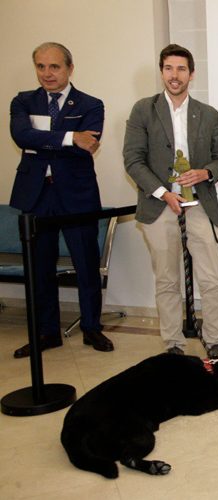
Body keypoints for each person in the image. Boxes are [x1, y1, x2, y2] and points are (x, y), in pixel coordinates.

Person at [123, 44, 218, 359]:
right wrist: (163, 192)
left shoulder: (208, 115)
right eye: (169, 68)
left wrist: (205, 173)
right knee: (167, 279)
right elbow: (133, 160)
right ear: (162, 72)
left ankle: (215, 341)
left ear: (191, 74)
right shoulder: (143, 110)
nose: (175, 75)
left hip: (200, 205)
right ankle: (173, 345)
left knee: (213, 278)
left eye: (181, 69)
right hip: (159, 206)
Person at [10, 42, 113, 358]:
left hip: (77, 195)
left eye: (54, 66)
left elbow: (89, 141)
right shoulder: (23, 101)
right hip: (37, 195)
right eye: (40, 66)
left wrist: (46, 142)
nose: (47, 73)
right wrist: (69, 138)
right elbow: (22, 136)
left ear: (69, 68)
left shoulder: (91, 104)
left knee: (85, 264)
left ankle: (92, 328)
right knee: (39, 267)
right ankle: (47, 332)